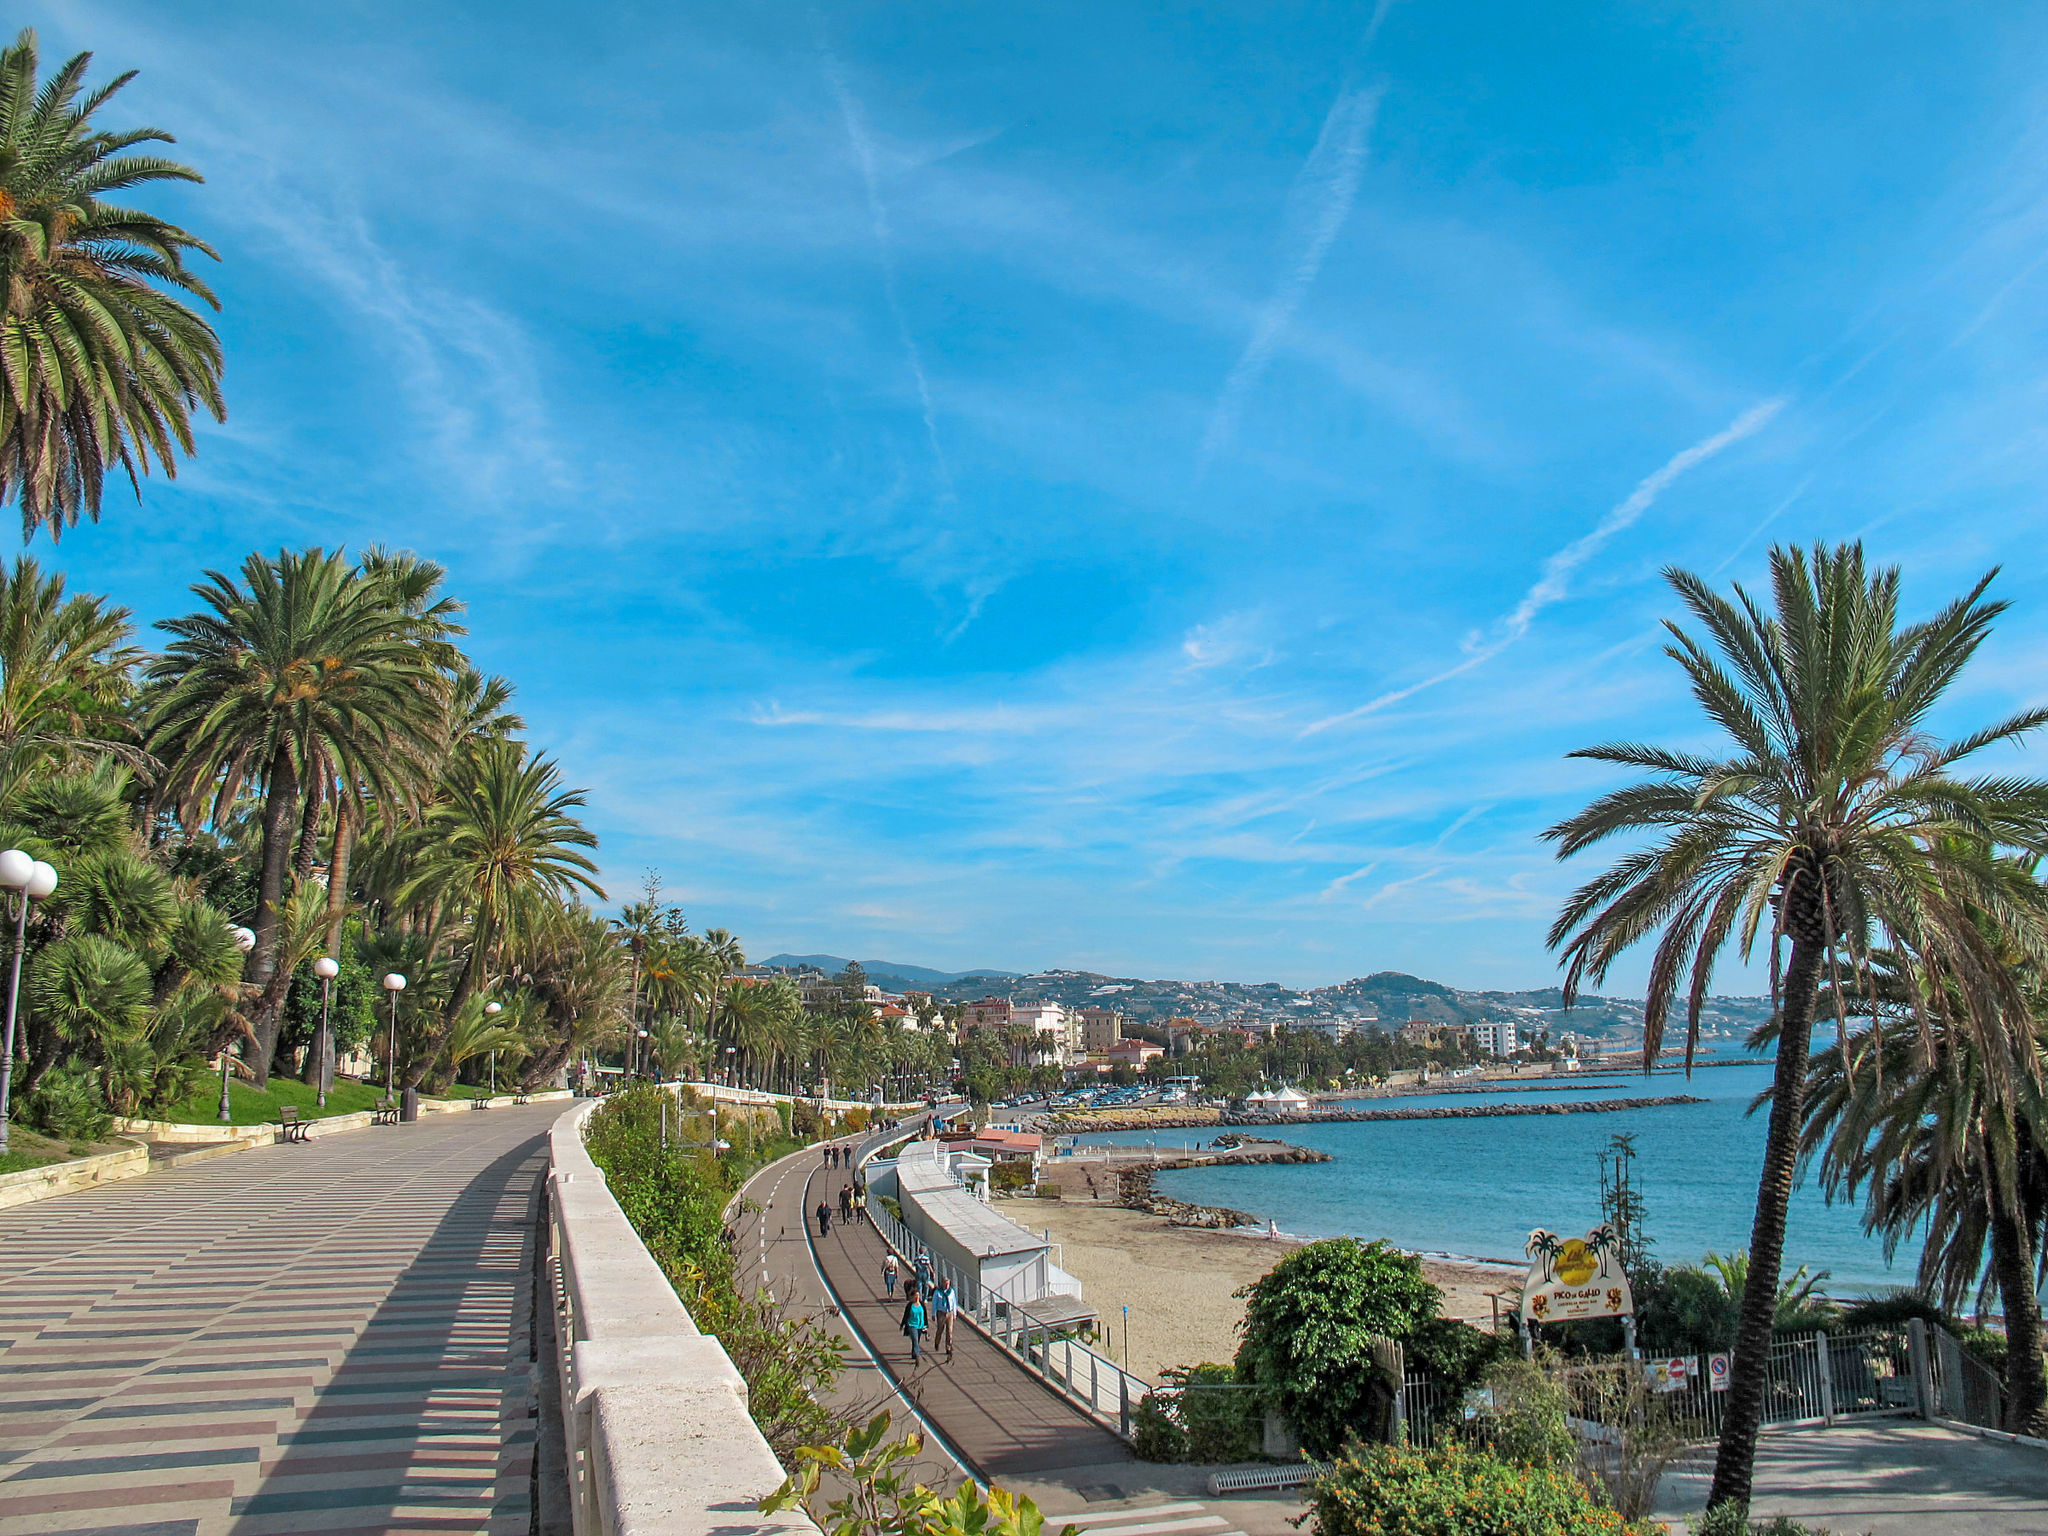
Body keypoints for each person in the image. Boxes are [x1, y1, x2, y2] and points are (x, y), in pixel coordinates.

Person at [931, 1277, 956, 1361]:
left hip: (949, 1313)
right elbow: (934, 1303)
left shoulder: (951, 1292)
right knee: (940, 1330)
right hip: (941, 1313)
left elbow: (954, 1302)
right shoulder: (938, 1292)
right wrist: (933, 1314)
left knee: (949, 1331)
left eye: (948, 1284)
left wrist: (954, 1314)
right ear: (942, 1283)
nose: (947, 1285)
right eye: (945, 1283)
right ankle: (937, 1342)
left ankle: (948, 1348)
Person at [902, 1285, 928, 1363]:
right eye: (915, 1296)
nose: (917, 1298)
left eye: (918, 1296)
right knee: (915, 1339)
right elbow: (905, 1316)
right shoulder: (910, 1306)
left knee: (917, 1340)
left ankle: (914, 1352)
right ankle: (917, 1355)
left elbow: (925, 1316)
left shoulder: (922, 1305)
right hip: (912, 1325)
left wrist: (925, 1326)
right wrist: (903, 1324)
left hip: (920, 1325)